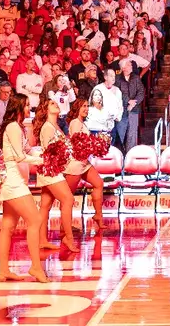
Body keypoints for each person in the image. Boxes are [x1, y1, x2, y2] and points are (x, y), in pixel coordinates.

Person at [0, 94, 48, 284]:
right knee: (34, 221)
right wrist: (43, 160)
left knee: (8, 227)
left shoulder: (19, 127)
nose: (29, 109)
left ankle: (3, 270)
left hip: (18, 180)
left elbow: (27, 151)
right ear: (18, 107)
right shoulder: (12, 127)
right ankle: (35, 266)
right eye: (26, 106)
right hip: (13, 180)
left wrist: (45, 151)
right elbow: (18, 157)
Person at [31, 99, 79, 255]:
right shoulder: (47, 128)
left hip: (55, 168)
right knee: (68, 199)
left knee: (45, 204)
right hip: (50, 169)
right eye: (52, 103)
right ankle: (68, 238)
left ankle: (42, 240)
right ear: (46, 110)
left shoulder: (55, 126)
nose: (56, 104)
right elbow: (49, 152)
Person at [65, 98, 109, 237]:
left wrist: (97, 145)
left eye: (87, 106)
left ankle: (98, 216)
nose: (86, 109)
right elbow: (77, 144)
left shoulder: (82, 123)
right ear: (77, 107)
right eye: (83, 106)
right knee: (67, 197)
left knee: (99, 183)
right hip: (76, 164)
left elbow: (85, 143)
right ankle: (64, 225)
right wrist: (93, 145)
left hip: (84, 163)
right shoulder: (74, 123)